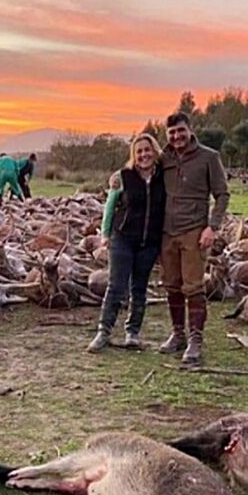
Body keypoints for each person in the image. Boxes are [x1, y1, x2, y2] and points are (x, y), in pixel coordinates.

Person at [158, 112, 230, 366]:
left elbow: (222, 194)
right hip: (166, 232)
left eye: (180, 131)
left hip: (193, 231)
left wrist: (212, 227)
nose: (176, 136)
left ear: (190, 130)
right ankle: (178, 334)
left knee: (193, 287)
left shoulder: (209, 157)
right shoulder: (163, 158)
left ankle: (195, 340)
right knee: (171, 284)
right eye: (172, 133)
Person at [86, 135, 165, 353]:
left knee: (139, 288)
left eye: (147, 150)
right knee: (116, 285)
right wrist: (105, 234)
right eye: (139, 151)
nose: (144, 155)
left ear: (154, 151)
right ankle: (104, 331)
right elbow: (110, 207)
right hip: (123, 238)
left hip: (149, 242)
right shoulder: (123, 177)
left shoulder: (163, 178)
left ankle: (133, 333)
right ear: (133, 155)